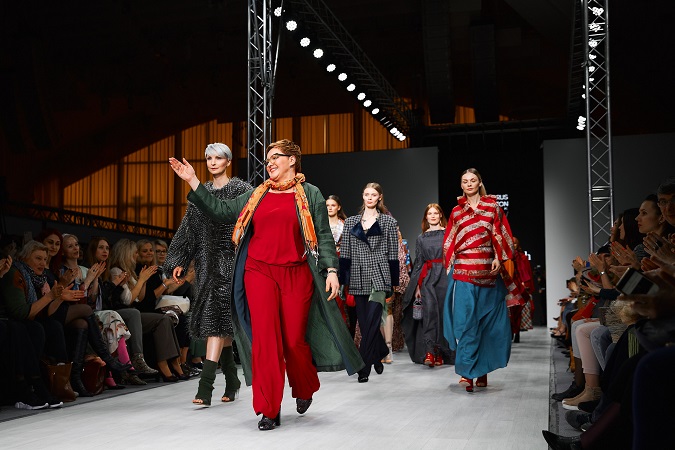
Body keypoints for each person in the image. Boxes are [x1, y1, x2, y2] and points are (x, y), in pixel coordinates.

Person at [169, 139, 363, 431]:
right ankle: (269, 408)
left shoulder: (309, 193)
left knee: (294, 341)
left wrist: (331, 270)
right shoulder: (257, 194)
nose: (269, 162)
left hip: (296, 273)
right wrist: (193, 180)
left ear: (292, 160)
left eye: (275, 157)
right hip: (258, 272)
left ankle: (304, 387)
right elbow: (220, 210)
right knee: (265, 341)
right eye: (267, 158)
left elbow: (322, 234)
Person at [163, 142, 252, 406]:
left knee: (217, 321)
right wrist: (179, 260)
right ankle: (232, 380)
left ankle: (206, 387)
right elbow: (188, 229)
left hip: (232, 264)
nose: (213, 162)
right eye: (209, 158)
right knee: (222, 323)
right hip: (205, 266)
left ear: (228, 161)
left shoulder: (240, 190)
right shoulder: (200, 194)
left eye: (218, 158)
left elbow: (249, 225)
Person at [442, 168, 522, 392]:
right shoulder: (456, 211)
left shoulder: (492, 207)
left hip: (488, 273)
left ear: (479, 183)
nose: (469, 184)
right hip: (463, 272)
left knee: (487, 323)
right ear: (461, 185)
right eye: (465, 181)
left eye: (473, 180)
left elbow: (501, 234)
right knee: (466, 322)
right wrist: (449, 265)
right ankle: (468, 373)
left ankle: (482, 370)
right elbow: (449, 240)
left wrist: (498, 257)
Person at [338, 182, 399, 383]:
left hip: (380, 275)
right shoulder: (351, 222)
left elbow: (393, 253)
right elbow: (345, 252)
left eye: (373, 194)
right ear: (363, 197)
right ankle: (379, 351)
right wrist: (343, 280)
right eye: (367, 194)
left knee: (372, 320)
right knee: (365, 325)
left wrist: (393, 282)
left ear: (379, 197)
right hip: (358, 275)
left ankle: (363, 367)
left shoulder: (388, 222)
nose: (370, 197)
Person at [402, 203, 453, 367]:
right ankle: (430, 351)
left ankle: (441, 352)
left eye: (435, 213)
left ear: (440, 215)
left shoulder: (448, 234)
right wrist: (417, 286)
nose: (432, 216)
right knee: (429, 313)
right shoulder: (421, 238)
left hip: (444, 276)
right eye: (429, 213)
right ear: (426, 217)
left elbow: (452, 256)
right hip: (428, 278)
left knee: (443, 314)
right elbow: (419, 263)